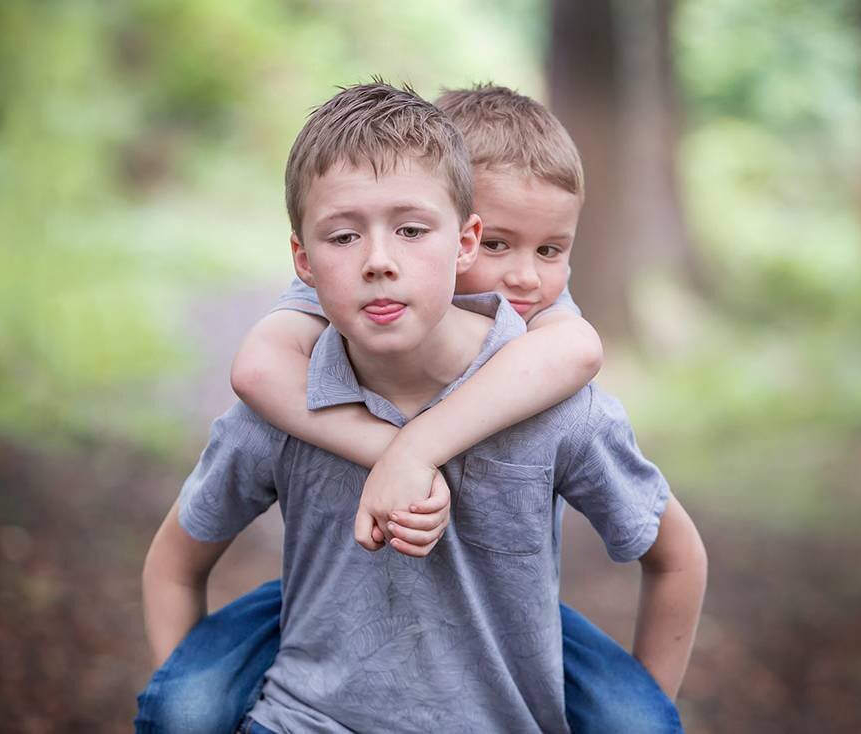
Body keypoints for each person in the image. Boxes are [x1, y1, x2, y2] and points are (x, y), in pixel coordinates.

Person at [138, 83, 706, 733]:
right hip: (306, 695)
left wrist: (417, 447)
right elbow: (256, 369)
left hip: (500, 644)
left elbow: (580, 352)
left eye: (550, 250)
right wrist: (389, 449)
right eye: (499, 243)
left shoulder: (553, 374)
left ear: (453, 235)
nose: (524, 277)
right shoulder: (326, 311)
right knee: (184, 705)